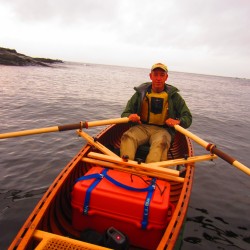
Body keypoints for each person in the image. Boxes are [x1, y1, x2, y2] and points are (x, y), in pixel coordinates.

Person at [120, 62, 192, 163]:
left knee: (160, 143)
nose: (158, 78)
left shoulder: (174, 97)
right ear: (151, 76)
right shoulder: (140, 93)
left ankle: (151, 173)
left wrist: (178, 121)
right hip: (142, 127)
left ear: (166, 77)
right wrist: (130, 116)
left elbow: (188, 118)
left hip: (163, 131)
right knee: (127, 136)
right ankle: (125, 166)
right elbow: (125, 114)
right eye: (155, 75)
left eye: (162, 75)